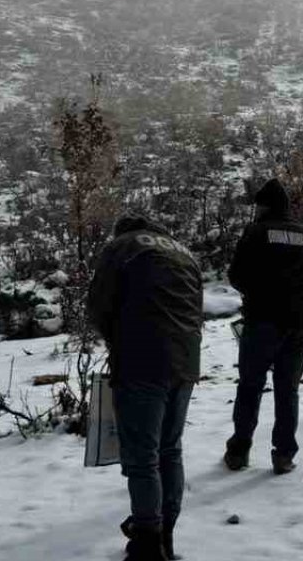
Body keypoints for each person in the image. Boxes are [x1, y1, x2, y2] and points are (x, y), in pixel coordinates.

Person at [88, 216, 203, 561]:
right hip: (185, 360)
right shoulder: (186, 254)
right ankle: (164, 532)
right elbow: (196, 310)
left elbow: (98, 306)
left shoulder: (120, 247)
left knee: (142, 457)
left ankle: (147, 543)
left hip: (141, 360)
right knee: (170, 450)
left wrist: (118, 340)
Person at [223, 178, 303, 475]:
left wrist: (258, 297)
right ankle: (284, 455)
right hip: (299, 324)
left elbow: (237, 275)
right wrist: (299, 305)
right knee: (288, 390)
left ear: (264, 206)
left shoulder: (256, 233)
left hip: (262, 322)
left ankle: (239, 451)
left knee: (250, 387)